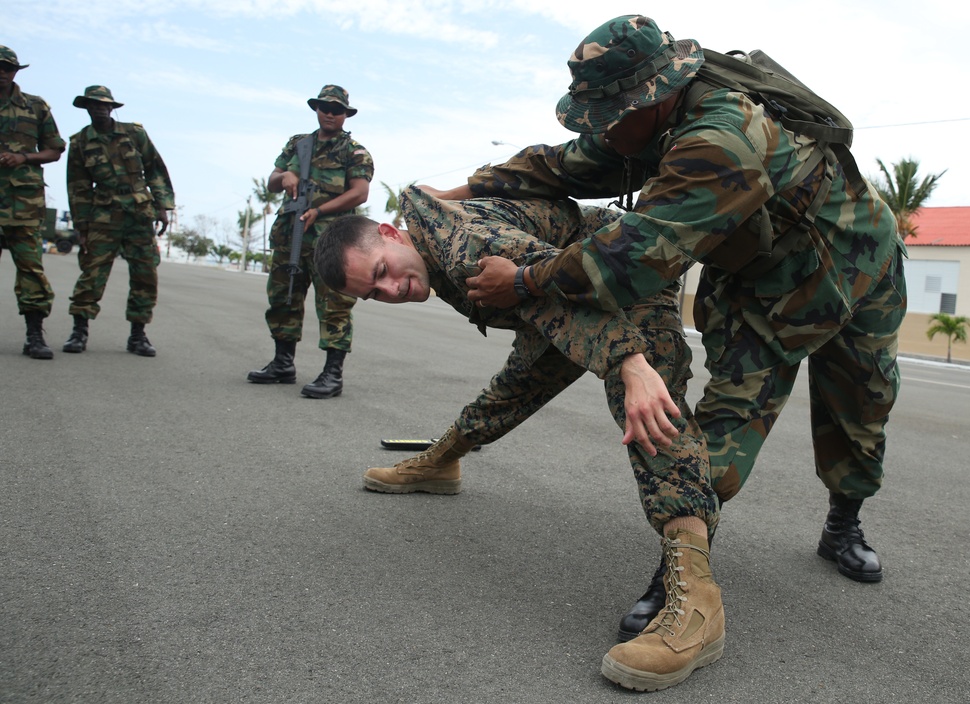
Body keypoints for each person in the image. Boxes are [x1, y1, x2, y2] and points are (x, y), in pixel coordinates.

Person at [442, 13, 905, 635]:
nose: (600, 127)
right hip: (762, 290)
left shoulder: (721, 140)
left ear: (653, 96)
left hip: (857, 264)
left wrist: (523, 280)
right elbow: (565, 164)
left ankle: (843, 522)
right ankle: (680, 569)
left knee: (863, 405)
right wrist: (465, 188)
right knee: (721, 427)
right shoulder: (644, 122)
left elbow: (628, 261)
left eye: (608, 113)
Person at [314, 185, 724, 692]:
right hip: (553, 297)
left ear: (390, 233)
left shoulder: (466, 245)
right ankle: (441, 462)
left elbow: (572, 280)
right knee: (516, 386)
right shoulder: (425, 252)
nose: (392, 290)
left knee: (648, 409)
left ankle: (699, 603)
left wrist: (630, 364)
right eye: (375, 293)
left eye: (382, 272)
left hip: (621, 267)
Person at [246, 85, 373, 398]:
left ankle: (333, 374)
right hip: (291, 234)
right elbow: (272, 181)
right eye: (324, 107)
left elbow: (359, 192)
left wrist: (319, 210)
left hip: (332, 240)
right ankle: (282, 363)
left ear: (345, 114)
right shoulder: (298, 144)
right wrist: (285, 177)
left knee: (334, 304)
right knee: (283, 296)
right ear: (316, 109)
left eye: (337, 109)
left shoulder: (354, 151)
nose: (330, 114)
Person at [63, 85, 175, 357]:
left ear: (112, 107)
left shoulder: (134, 134)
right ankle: (79, 331)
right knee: (92, 273)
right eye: (94, 104)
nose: (100, 108)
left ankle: (138, 336)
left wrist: (163, 206)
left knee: (145, 275)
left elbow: (155, 169)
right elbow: (77, 187)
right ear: (86, 108)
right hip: (103, 215)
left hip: (138, 215)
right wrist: (82, 226)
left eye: (105, 104)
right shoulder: (79, 142)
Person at [0, 45, 65, 359]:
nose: (1, 73)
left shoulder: (35, 107)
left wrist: (23, 156)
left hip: (22, 203)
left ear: (15, 72)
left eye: (7, 68)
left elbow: (54, 149)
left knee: (30, 269)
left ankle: (35, 335)